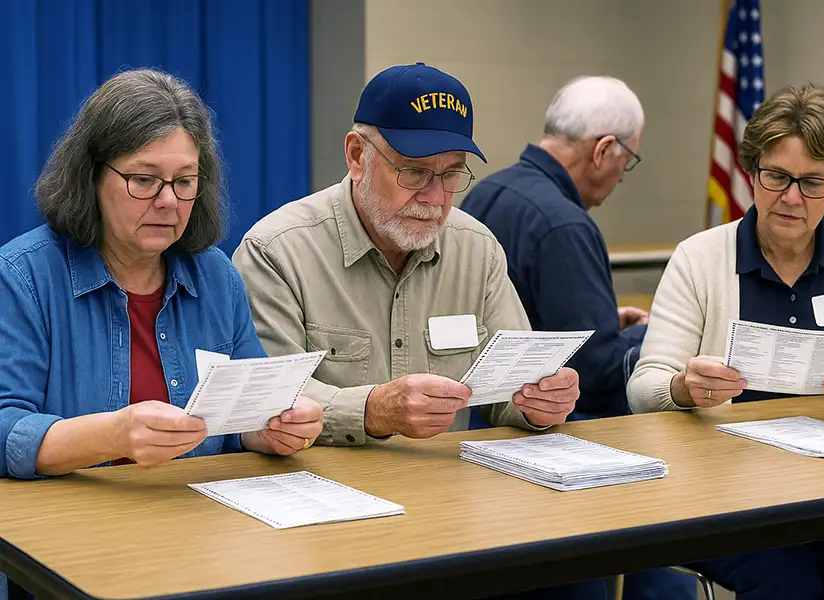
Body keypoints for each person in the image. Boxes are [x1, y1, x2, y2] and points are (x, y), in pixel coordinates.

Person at [233, 62, 592, 598]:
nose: (435, 197)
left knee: (576, 576)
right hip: (323, 522)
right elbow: (266, 401)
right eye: (414, 172)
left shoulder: (477, 249)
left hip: (455, 512)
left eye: (451, 174)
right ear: (357, 155)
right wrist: (372, 409)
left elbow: (509, 390)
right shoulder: (277, 252)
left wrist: (539, 399)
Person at [627, 83, 824, 599]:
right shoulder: (699, 257)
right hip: (721, 494)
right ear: (752, 172)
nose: (791, 197)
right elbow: (644, 387)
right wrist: (683, 388)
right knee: (787, 583)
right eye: (776, 177)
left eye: (813, 182)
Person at [0, 69, 324, 479]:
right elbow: (5, 428)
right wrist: (112, 434)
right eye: (144, 180)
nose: (169, 200)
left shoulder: (215, 276)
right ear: (91, 177)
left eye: (185, 181)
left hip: (193, 515)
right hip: (72, 525)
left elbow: (245, 418)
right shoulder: (22, 276)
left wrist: (276, 427)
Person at [460, 75, 696, 600]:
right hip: (549, 452)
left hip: (475, 435)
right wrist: (660, 340)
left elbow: (528, 316)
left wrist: (607, 320)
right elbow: (594, 372)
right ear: (605, 150)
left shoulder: (488, 192)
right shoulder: (566, 225)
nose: (620, 178)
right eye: (627, 161)